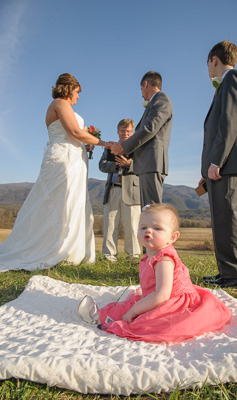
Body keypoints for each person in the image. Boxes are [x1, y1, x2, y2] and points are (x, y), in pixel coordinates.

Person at [0, 73, 110, 272]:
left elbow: (76, 135)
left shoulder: (66, 106)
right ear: (68, 89)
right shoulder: (59, 104)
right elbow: (75, 132)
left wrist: (86, 145)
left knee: (71, 201)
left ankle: (71, 249)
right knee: (54, 201)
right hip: (63, 159)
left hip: (75, 158)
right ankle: (47, 247)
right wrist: (104, 143)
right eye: (77, 92)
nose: (78, 97)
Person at [78, 203, 231, 343]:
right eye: (143, 227)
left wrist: (135, 309)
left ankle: (102, 319)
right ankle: (102, 315)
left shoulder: (164, 260)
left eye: (157, 228)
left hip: (170, 302)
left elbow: (162, 295)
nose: (148, 231)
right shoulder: (152, 254)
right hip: (157, 295)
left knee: (144, 319)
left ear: (172, 237)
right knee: (129, 304)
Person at [198, 41, 237, 288]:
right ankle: (226, 272)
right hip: (219, 165)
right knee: (220, 217)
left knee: (227, 217)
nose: (208, 69)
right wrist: (206, 171)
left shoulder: (234, 79)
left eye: (207, 64)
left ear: (214, 60)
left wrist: (216, 161)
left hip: (226, 163)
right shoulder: (227, 83)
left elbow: (229, 124)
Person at [109, 71, 173, 207]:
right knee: (147, 209)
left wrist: (123, 146)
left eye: (141, 88)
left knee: (152, 208)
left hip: (152, 162)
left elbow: (149, 129)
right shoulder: (154, 103)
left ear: (146, 84)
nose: (141, 92)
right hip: (146, 164)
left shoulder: (161, 100)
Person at [99, 119, 141, 262]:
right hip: (113, 189)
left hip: (132, 190)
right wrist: (117, 166)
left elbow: (144, 166)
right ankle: (109, 256)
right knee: (110, 224)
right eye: (122, 131)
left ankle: (133, 257)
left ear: (132, 132)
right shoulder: (110, 147)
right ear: (117, 131)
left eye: (128, 131)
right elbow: (102, 165)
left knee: (132, 225)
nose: (125, 133)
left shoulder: (139, 147)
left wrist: (130, 164)